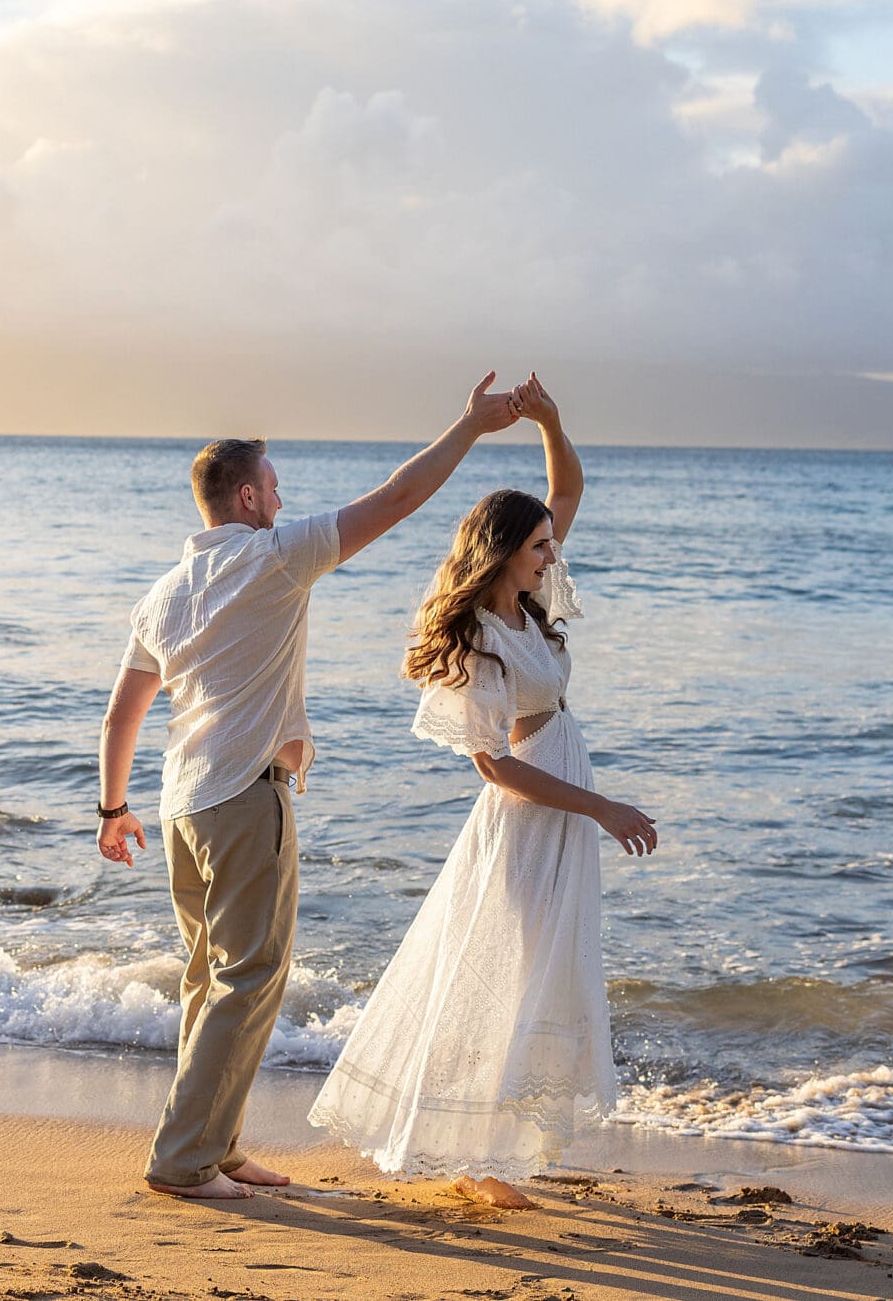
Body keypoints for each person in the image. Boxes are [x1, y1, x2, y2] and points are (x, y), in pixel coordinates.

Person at [97, 373, 525, 1200]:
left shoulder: (163, 592)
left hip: (181, 804)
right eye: (277, 486)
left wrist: (112, 809)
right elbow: (399, 496)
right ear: (250, 495)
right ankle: (182, 1159)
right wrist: (470, 425)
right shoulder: (273, 557)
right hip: (245, 799)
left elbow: (123, 714)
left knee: (210, 979)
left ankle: (215, 1144)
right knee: (248, 978)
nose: (283, 498)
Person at [308, 375, 657, 1209]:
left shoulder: (534, 605)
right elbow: (494, 765)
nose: (549, 553)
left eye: (547, 544)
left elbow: (567, 486)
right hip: (530, 816)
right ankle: (484, 1156)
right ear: (501, 551)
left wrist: (552, 419)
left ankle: (499, 1151)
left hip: (562, 805)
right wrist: (602, 808)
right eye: (536, 545)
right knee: (511, 971)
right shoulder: (482, 637)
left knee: (547, 969)